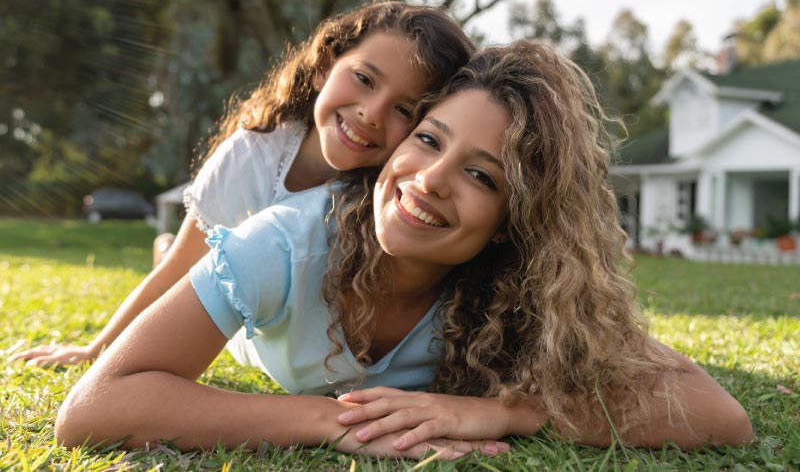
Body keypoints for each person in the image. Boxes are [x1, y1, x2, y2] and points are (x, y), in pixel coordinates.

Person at [55, 41, 752, 460]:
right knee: (211, 268)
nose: (429, 181)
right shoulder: (286, 243)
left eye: (482, 176)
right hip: (254, 323)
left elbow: (722, 415)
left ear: (514, 220)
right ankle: (167, 256)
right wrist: (329, 421)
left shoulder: (515, 290)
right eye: (428, 139)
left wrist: (508, 411)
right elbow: (95, 409)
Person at [11, 0, 475, 368]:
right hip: (250, 318)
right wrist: (95, 351)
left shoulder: (394, 194)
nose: (371, 115)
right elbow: (175, 278)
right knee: (188, 264)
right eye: (363, 79)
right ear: (323, 68)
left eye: (404, 111)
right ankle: (171, 243)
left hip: (303, 323)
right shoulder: (254, 153)